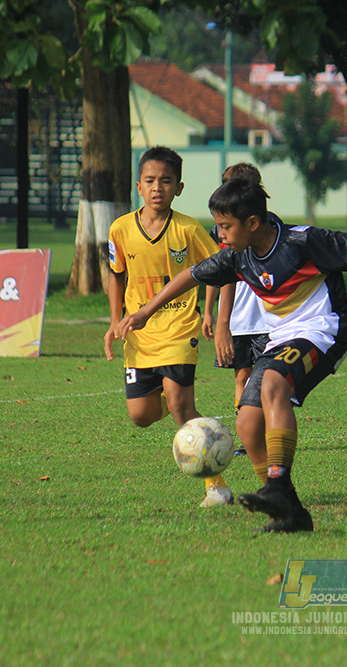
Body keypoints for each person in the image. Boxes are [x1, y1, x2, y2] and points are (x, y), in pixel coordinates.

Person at [114, 178, 347, 533]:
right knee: (247, 426)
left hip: (324, 331)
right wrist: (145, 312)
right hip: (280, 340)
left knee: (274, 383)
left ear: (252, 223)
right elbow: (190, 275)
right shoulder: (238, 255)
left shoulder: (304, 241)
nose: (219, 235)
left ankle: (277, 486)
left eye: (225, 226)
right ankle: (291, 514)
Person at [103, 146, 234, 508]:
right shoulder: (121, 229)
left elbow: (224, 269)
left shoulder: (188, 230)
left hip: (178, 328)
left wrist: (216, 317)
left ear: (179, 187)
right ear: (138, 187)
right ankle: (176, 400)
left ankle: (216, 486)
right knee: (141, 416)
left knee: (179, 404)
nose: (157, 187)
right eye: (150, 181)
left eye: (166, 181)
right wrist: (115, 321)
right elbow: (116, 275)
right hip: (140, 335)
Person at [201, 164, 272, 442]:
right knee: (242, 375)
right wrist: (210, 312)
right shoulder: (222, 232)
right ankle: (247, 435)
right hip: (238, 318)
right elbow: (216, 273)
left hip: (267, 317)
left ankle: (263, 431)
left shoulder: (266, 229)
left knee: (266, 378)